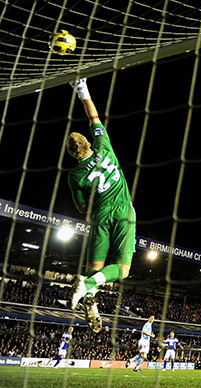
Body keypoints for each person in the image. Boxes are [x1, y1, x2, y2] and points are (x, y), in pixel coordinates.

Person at [67, 79, 136, 334]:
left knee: (96, 266)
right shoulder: (103, 145)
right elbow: (93, 116)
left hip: (98, 215)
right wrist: (82, 88)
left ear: (73, 154)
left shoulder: (74, 176)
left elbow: (81, 207)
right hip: (122, 210)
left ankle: (92, 300)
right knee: (123, 269)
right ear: (87, 143)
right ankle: (87, 285)